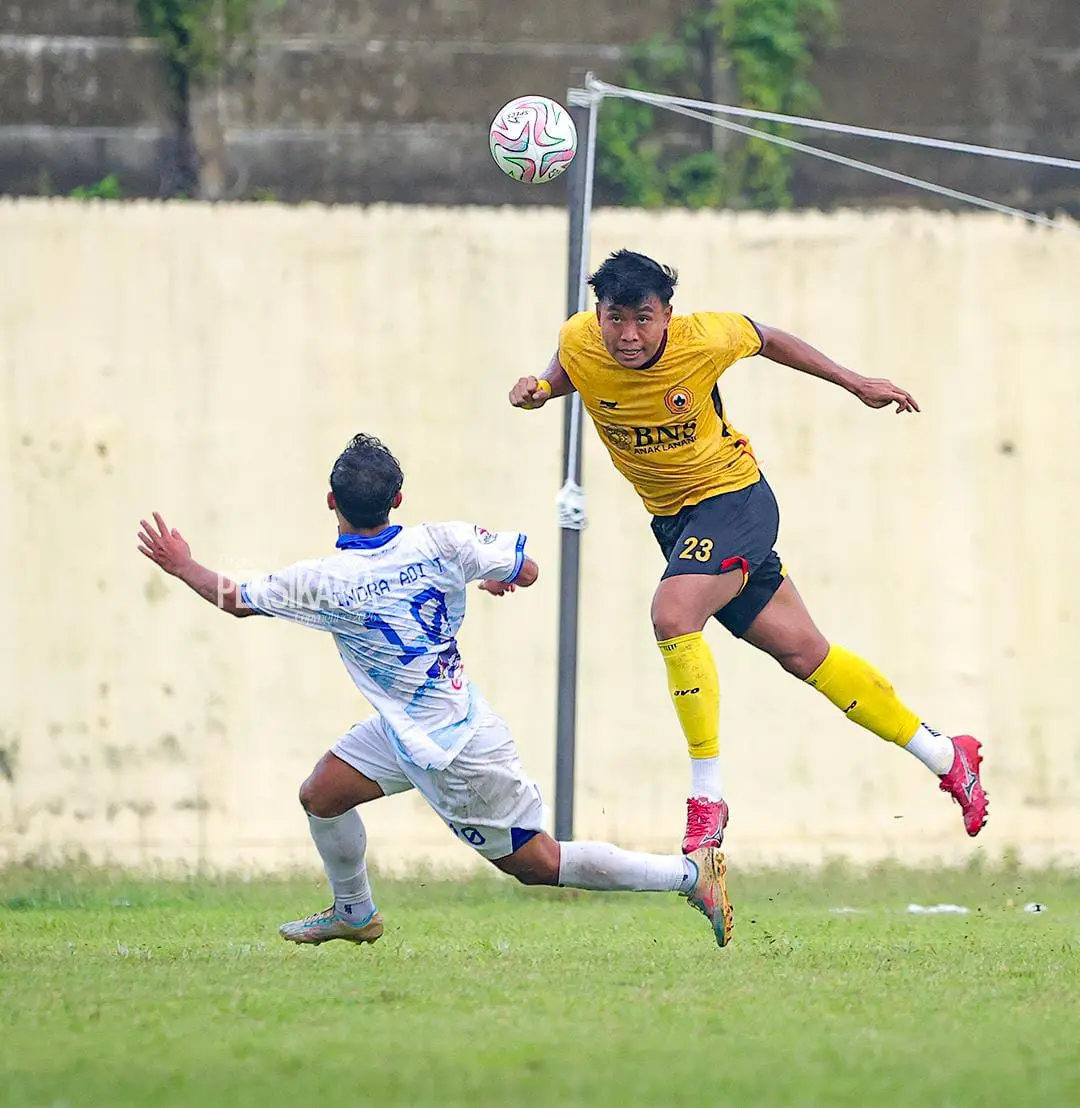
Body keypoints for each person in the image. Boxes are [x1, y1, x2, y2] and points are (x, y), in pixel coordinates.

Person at [137, 432, 736, 948]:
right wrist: (489, 577)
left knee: (539, 864)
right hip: (406, 727)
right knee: (322, 795)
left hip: (457, 749)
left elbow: (236, 599)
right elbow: (523, 568)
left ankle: (688, 877)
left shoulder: (323, 582)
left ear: (330, 503)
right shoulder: (441, 543)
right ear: (398, 500)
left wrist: (181, 563)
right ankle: (355, 914)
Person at [509, 249, 988, 879]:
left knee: (672, 613)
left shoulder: (703, 337)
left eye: (643, 319)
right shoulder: (579, 337)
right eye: (614, 318)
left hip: (734, 500)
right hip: (676, 522)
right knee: (804, 653)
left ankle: (707, 797)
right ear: (597, 314)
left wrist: (856, 383)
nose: (628, 335)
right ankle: (946, 754)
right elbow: (575, 363)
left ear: (667, 316)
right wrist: (545, 388)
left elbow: (768, 339)